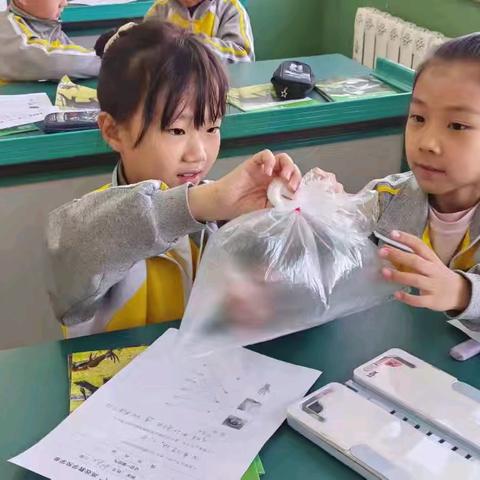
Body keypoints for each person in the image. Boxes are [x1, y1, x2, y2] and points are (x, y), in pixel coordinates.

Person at [46, 21, 300, 338]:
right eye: (176, 130)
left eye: (212, 128)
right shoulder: (89, 224)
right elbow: (75, 259)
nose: (197, 154)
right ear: (113, 131)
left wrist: (285, 214)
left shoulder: (216, 210)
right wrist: (201, 204)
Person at [324, 33, 480, 326]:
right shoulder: (388, 197)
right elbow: (339, 228)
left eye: (457, 125)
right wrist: (319, 205)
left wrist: (462, 291)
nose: (427, 143)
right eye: (418, 118)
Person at [0, 0, 100, 81]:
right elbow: (49, 62)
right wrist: (110, 61)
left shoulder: (48, 27)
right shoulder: (5, 27)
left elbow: (75, 60)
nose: (64, 3)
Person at [145, 0, 254, 63]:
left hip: (218, 91)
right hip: (171, 92)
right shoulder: (159, 9)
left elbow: (244, 58)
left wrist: (191, 44)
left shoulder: (230, 8)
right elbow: (146, 55)